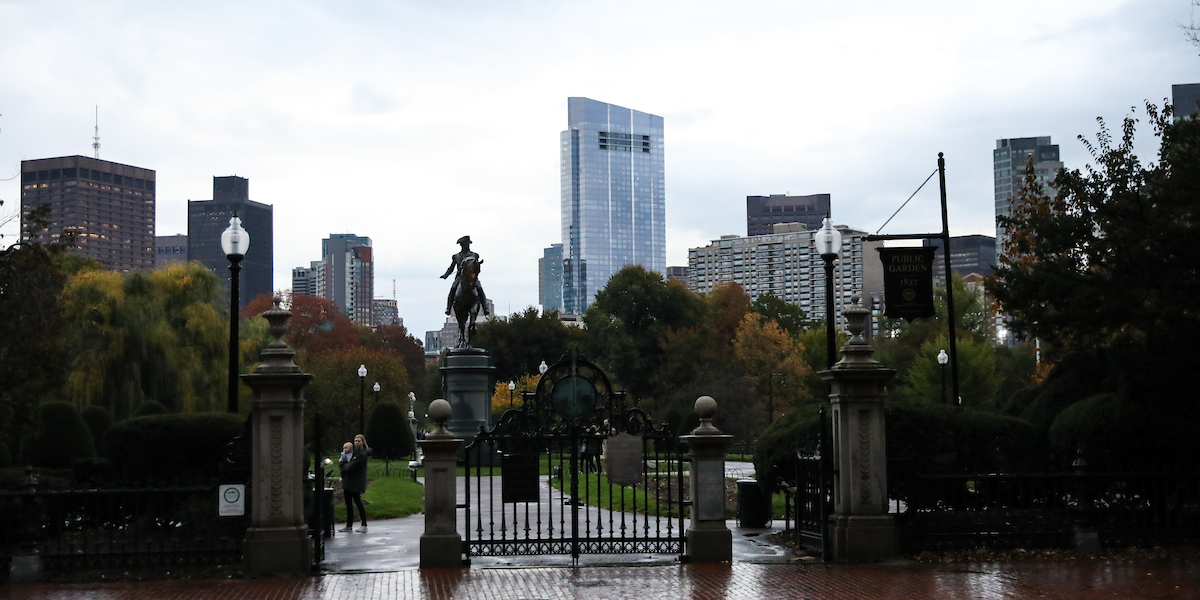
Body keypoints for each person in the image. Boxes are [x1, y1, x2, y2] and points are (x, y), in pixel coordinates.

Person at [440, 235, 490, 316]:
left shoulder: (474, 255)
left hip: (472, 277)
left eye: (467, 244)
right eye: (464, 244)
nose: (466, 245)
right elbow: (451, 268)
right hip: (460, 277)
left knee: (480, 289)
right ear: (461, 245)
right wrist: (445, 275)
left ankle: (485, 308)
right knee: (453, 289)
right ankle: (448, 308)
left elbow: (477, 267)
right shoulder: (456, 256)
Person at [339, 435, 373, 532]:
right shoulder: (355, 453)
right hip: (348, 481)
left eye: (358, 441)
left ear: (363, 442)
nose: (356, 442)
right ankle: (349, 525)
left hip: (356, 482)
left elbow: (350, 467)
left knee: (358, 502)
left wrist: (342, 465)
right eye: (355, 441)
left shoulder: (361, 455)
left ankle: (364, 524)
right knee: (349, 504)